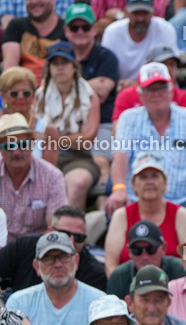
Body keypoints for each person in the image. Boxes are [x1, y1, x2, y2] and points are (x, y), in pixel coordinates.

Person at [107, 61, 186, 218]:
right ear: (140, 95)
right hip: (139, 201)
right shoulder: (128, 118)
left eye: (161, 88)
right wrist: (118, 189)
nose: (156, 94)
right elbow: (120, 156)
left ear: (172, 91)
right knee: (116, 209)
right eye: (150, 89)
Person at [4, 230, 105, 325]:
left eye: (63, 257)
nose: (57, 264)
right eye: (49, 259)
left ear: (76, 261)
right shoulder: (18, 303)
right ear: (36, 266)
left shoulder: (99, 302)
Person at [0, 204, 107, 293]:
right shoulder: (22, 247)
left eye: (79, 237)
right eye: (65, 234)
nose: (71, 241)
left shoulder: (94, 273)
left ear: (77, 261)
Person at [36, 41, 100, 210]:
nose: (60, 68)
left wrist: (51, 137)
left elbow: (86, 141)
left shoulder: (90, 95)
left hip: (78, 158)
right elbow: (33, 136)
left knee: (78, 182)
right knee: (39, 180)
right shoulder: (38, 96)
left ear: (74, 66)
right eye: (55, 63)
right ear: (49, 68)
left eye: (64, 62)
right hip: (43, 156)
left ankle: (71, 232)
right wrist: (72, 138)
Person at [104, 153, 186, 274]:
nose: (149, 182)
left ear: (165, 182)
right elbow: (110, 265)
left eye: (154, 176)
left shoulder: (181, 215)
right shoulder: (121, 216)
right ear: (133, 184)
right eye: (143, 177)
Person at [0, 113, 68, 238]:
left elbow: (57, 228)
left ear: (32, 144)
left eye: (23, 145)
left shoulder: (52, 176)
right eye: (9, 146)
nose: (16, 152)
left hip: (36, 249)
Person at [63, 3, 118, 188]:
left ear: (95, 29)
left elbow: (100, 95)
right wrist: (89, 86)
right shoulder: (59, 56)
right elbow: (50, 91)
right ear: (66, 30)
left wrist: (67, 86)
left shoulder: (106, 56)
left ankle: (103, 206)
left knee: (101, 160)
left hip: (102, 121)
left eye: (85, 27)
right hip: (65, 121)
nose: (80, 31)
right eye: (74, 27)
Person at [0, 65, 59, 166]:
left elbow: (49, 174)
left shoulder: (49, 130)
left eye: (26, 93)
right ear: (3, 96)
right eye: (14, 93)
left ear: (34, 95)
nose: (20, 97)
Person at [99, 0, 176, 87]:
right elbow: (105, 73)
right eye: (136, 13)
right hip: (118, 89)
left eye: (145, 13)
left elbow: (170, 73)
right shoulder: (112, 31)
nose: (140, 19)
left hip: (157, 89)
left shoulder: (165, 29)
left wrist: (135, 86)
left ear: (153, 12)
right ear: (126, 12)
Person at [111, 42, 186, 123]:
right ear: (147, 65)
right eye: (162, 63)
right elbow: (118, 132)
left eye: (172, 64)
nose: (168, 68)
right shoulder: (127, 96)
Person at [106, 219, 186, 298]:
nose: (144, 257)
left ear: (164, 248)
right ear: (129, 252)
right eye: (137, 250)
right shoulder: (118, 277)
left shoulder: (181, 270)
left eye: (151, 249)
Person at [0, 0, 65, 82]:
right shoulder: (16, 26)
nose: (34, 2)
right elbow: (10, 72)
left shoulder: (69, 29)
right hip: (24, 90)